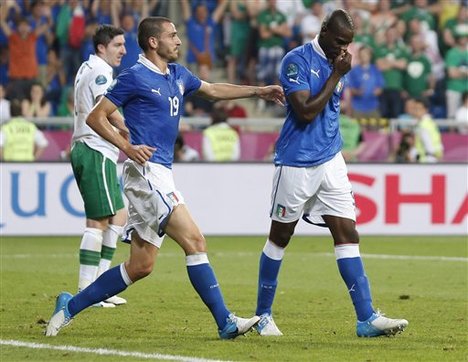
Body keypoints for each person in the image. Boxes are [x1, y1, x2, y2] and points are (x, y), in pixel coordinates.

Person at [45, 16, 284, 339]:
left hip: (161, 173)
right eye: (172, 35)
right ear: (154, 42)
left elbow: (212, 90)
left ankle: (69, 307)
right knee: (195, 241)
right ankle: (225, 321)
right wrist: (127, 146)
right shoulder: (134, 76)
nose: (179, 40)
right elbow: (96, 117)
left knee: (141, 265)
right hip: (145, 173)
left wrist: (258, 91)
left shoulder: (177, 74)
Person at [253, 9, 408, 338]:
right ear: (323, 31)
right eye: (339, 42)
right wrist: (336, 75)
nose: (344, 50)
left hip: (331, 160)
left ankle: (366, 318)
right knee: (280, 237)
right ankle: (263, 315)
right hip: (296, 161)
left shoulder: (339, 60)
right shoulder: (296, 61)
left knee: (348, 234)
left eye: (348, 44)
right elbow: (306, 112)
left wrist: (338, 72)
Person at [69, 24, 128, 308]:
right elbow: (106, 110)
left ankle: (101, 285)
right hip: (94, 148)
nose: (124, 51)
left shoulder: (85, 68)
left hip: (89, 147)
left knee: (119, 215)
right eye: (118, 45)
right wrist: (128, 131)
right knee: (98, 222)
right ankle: (86, 291)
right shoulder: (101, 72)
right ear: (102, 47)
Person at [412, 97, 443, 163]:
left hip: (427, 161)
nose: (416, 111)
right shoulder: (431, 122)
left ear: (426, 109)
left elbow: (429, 147)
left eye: (419, 108)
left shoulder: (423, 125)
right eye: (415, 108)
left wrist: (415, 157)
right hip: (433, 158)